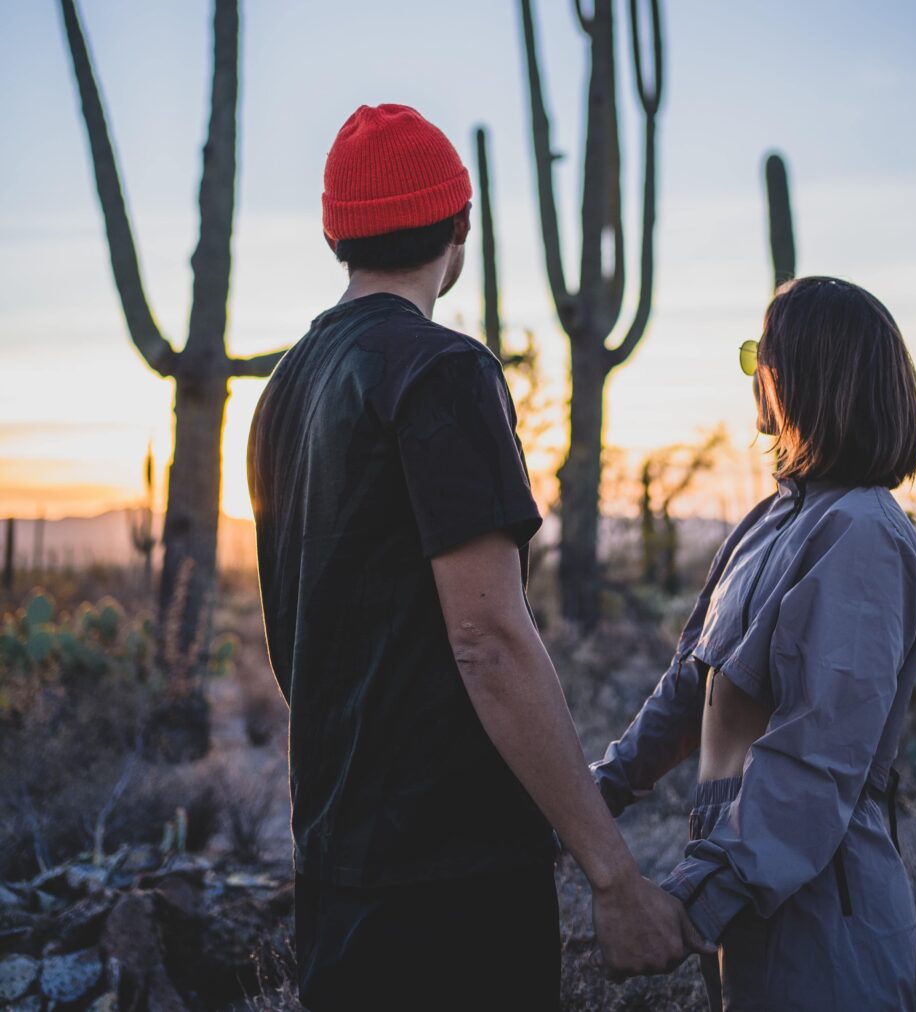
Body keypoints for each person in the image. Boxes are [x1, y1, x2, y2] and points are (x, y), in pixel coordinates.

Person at [247, 103, 712, 1011]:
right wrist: (614, 877)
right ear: (460, 228)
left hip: (336, 864)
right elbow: (488, 638)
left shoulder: (282, 391)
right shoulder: (440, 372)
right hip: (448, 882)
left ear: (336, 233)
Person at [592, 276, 916, 1011]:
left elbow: (816, 760)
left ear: (808, 374)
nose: (753, 374)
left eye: (762, 355)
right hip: (751, 877)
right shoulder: (773, 519)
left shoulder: (863, 535)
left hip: (819, 899)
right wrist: (599, 792)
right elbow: (692, 685)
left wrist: (688, 900)